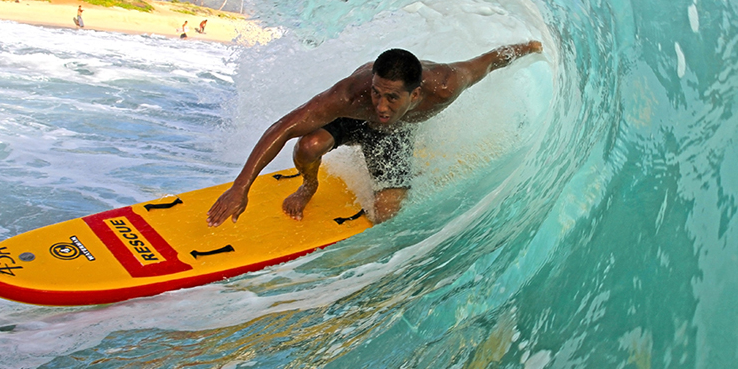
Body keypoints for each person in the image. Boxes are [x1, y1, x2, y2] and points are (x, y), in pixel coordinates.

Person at [206, 41, 543, 227]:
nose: (381, 104)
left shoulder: (444, 85)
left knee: (385, 214)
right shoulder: (351, 94)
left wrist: (528, 47)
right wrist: (240, 187)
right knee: (309, 145)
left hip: (393, 136)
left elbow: (487, 59)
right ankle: (309, 185)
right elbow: (283, 127)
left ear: (414, 95)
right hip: (353, 121)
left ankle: (404, 170)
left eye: (392, 97)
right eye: (377, 92)